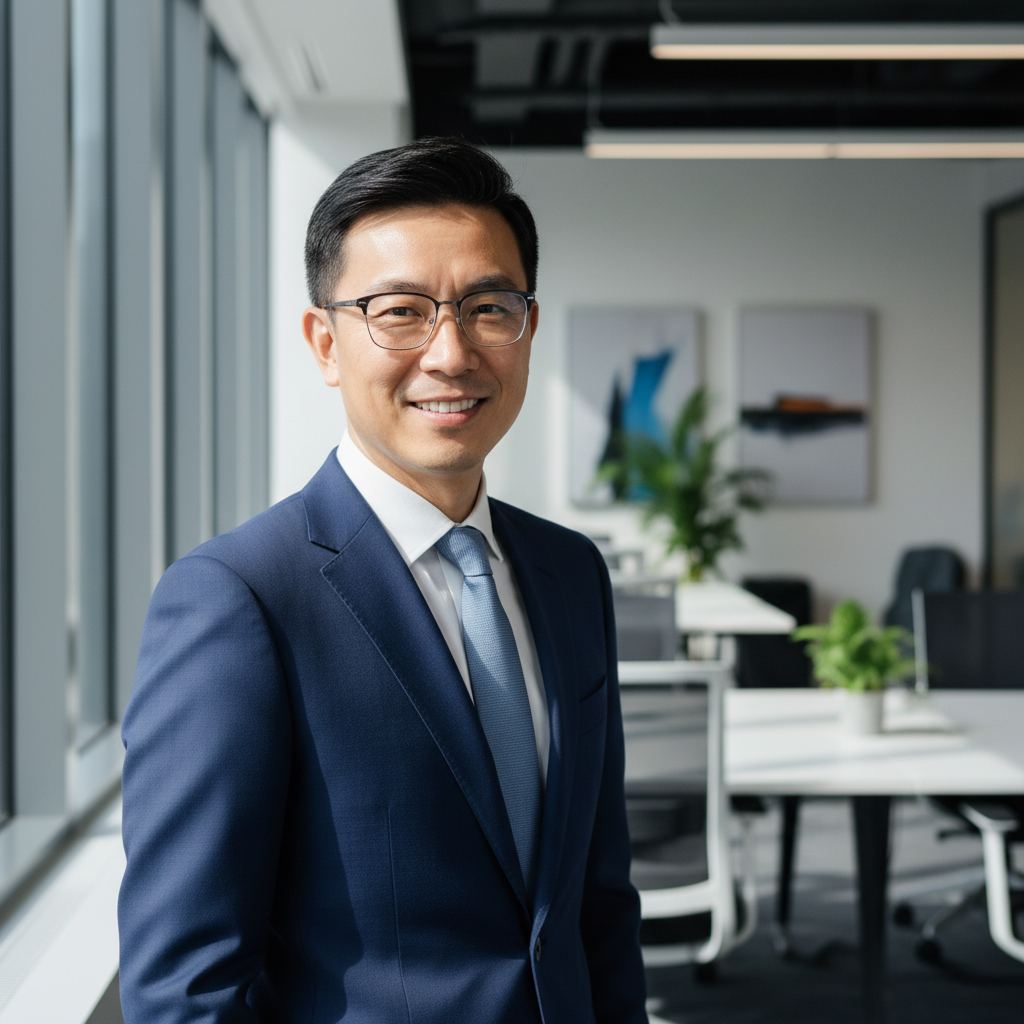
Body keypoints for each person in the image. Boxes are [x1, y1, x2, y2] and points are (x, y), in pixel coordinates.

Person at [118, 137, 647, 1023]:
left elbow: (599, 902)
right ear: (326, 342)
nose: (451, 353)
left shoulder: (569, 572)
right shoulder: (237, 599)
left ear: (528, 327)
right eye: (400, 311)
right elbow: (184, 988)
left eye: (488, 307)